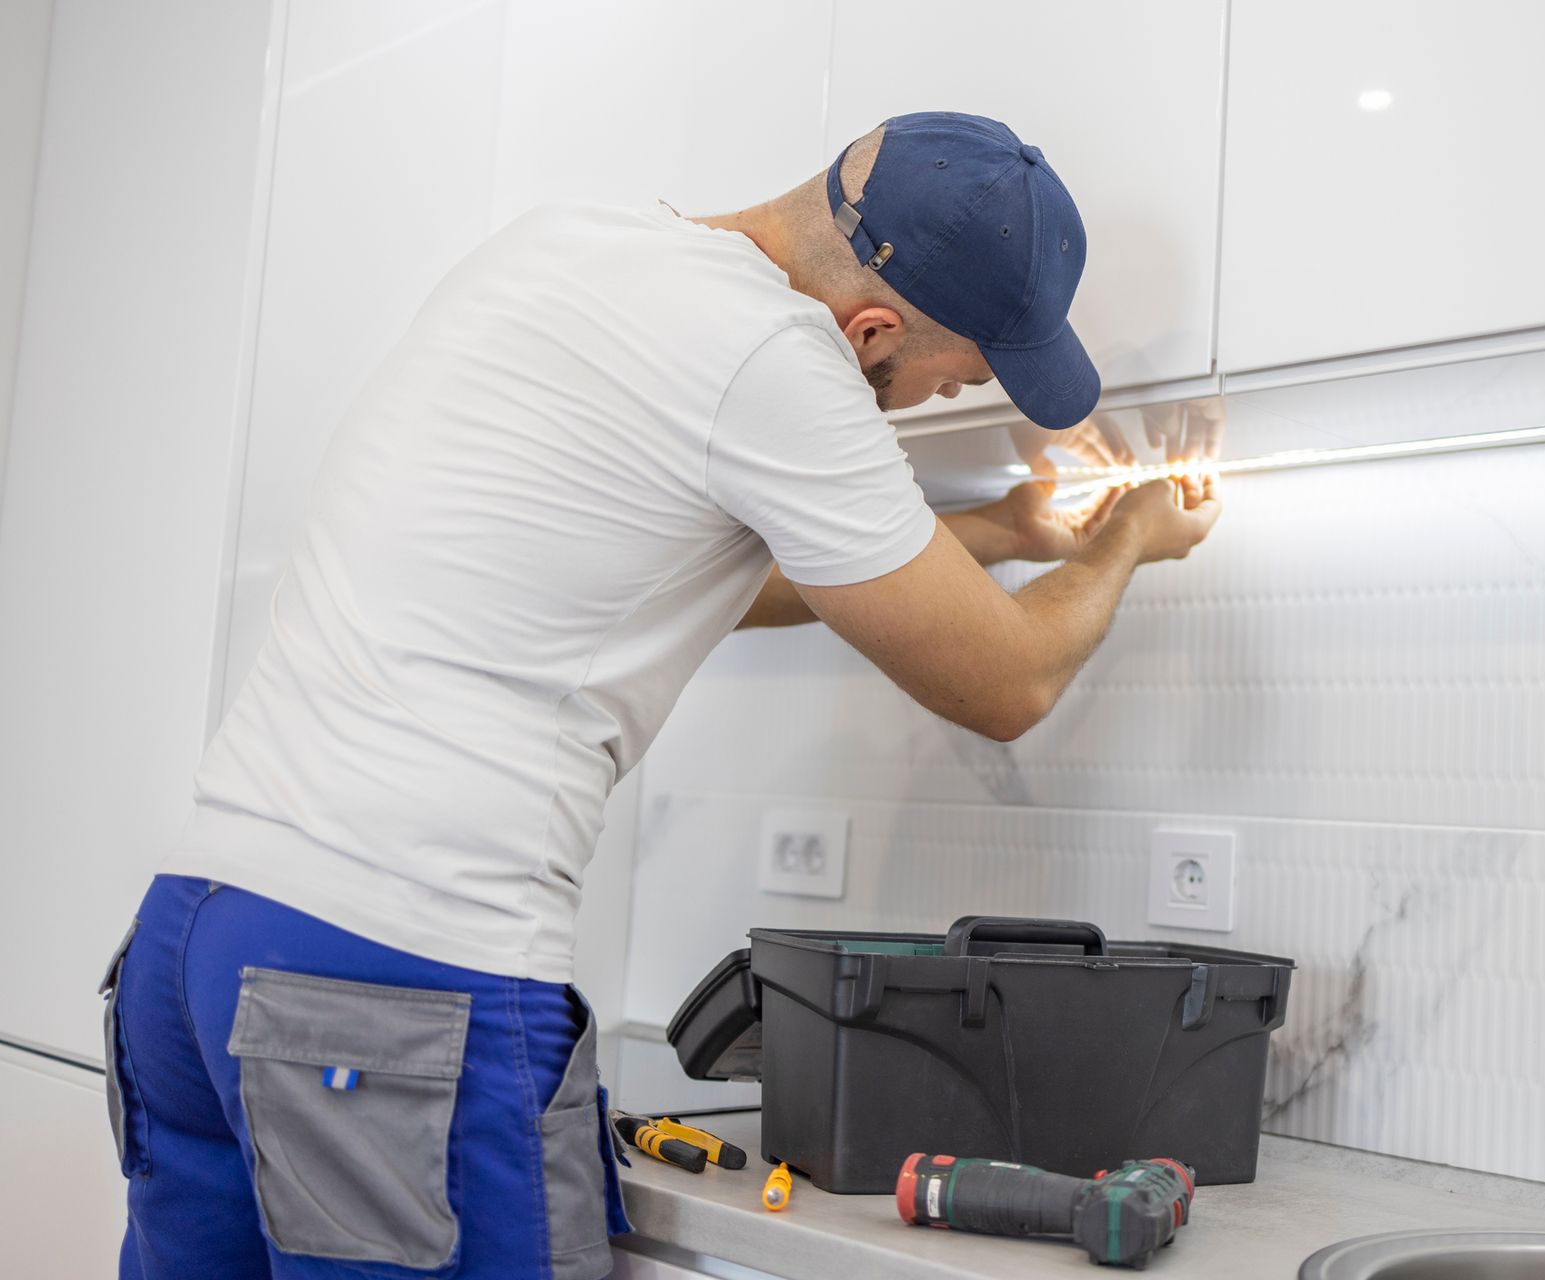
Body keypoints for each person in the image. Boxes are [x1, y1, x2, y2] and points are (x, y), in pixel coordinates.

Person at [99, 111, 1221, 1279]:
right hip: (396, 973)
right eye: (961, 376)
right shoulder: (779, 359)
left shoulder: (569, 247)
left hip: (196, 935)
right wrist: (1131, 537)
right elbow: (1010, 680)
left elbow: (675, 577)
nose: (943, 398)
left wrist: (999, 530)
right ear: (872, 325)